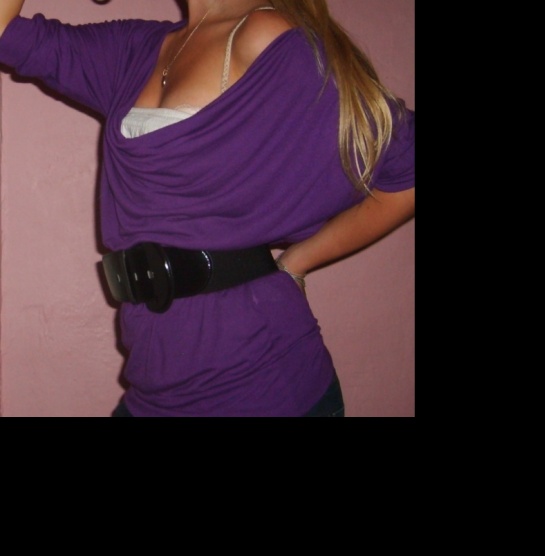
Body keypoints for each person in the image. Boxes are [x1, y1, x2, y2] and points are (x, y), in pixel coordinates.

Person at [0, 0, 415, 417]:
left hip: (263, 385)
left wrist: (299, 259)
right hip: (156, 375)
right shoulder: (134, 49)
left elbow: (406, 167)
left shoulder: (263, 34)